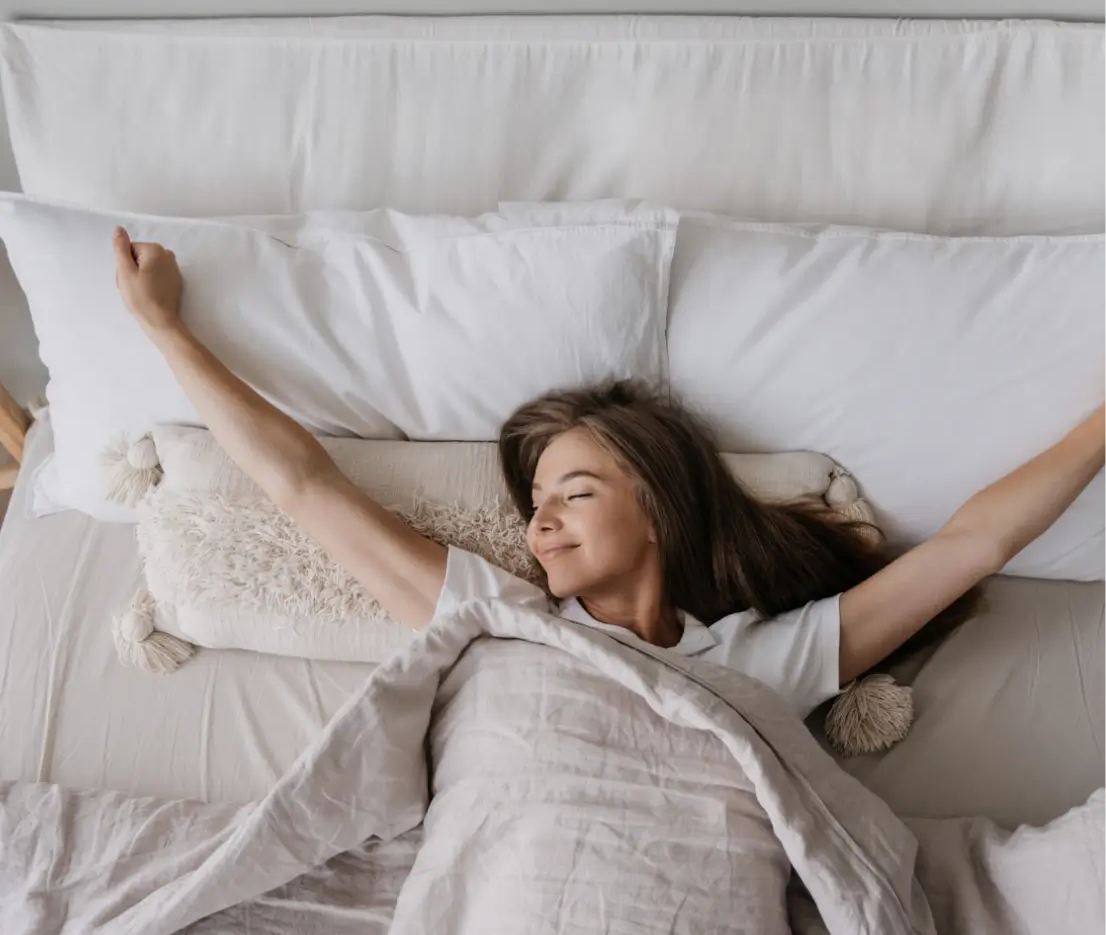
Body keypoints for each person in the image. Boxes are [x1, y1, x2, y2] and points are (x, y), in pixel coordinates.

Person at [114, 227, 1106, 719]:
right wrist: (164, 329)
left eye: (573, 493)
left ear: (662, 512)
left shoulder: (764, 660)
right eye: (536, 501)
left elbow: (977, 541)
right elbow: (303, 487)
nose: (539, 522)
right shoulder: (497, 615)